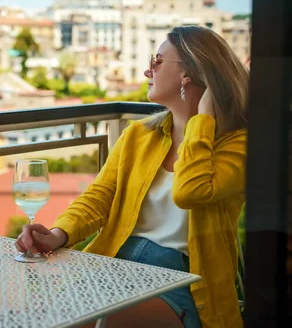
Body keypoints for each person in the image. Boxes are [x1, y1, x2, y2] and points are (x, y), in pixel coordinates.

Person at [15, 26, 249, 327]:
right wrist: (59, 234)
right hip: (116, 262)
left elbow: (191, 191)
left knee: (93, 320)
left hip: (185, 282)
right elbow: (100, 197)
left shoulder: (239, 144)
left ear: (189, 73)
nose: (146, 70)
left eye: (158, 61)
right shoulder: (138, 135)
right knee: (39, 309)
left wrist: (201, 121)